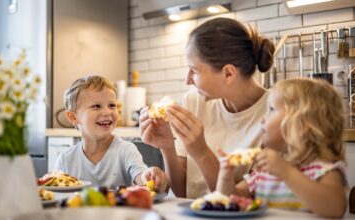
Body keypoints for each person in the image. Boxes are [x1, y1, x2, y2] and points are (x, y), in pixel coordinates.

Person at [139, 17, 275, 198]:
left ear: (228, 73)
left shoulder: (276, 116)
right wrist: (167, 147)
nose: (187, 80)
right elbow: (182, 192)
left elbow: (240, 200)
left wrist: (201, 152)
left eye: (194, 71)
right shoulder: (195, 101)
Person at [216, 78, 347, 218]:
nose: (262, 119)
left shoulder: (323, 170)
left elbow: (335, 208)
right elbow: (231, 200)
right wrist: (225, 176)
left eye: (271, 110)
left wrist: (286, 172)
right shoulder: (264, 172)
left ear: (301, 124)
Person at [55, 75, 168, 192]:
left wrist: (149, 176)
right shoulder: (65, 160)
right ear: (73, 117)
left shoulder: (126, 150)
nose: (107, 112)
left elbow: (141, 177)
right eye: (96, 106)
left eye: (112, 105)